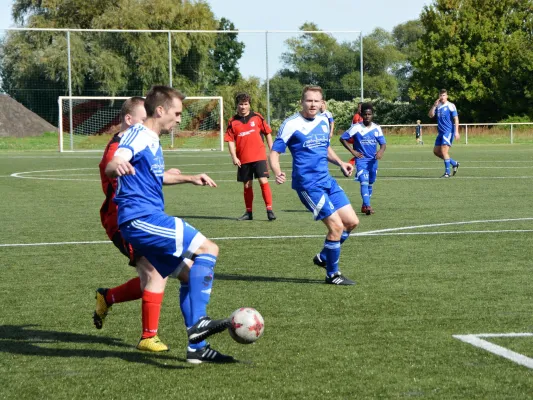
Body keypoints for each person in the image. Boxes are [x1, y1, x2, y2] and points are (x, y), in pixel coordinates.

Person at [105, 85, 235, 364]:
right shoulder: (138, 134)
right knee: (209, 249)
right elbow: (115, 161)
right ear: (160, 110)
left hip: (144, 219)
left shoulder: (152, 140)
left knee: (188, 275)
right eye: (176, 113)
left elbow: (153, 177)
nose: (179, 119)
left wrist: (189, 177)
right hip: (141, 219)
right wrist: (117, 164)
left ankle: (196, 348)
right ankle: (199, 322)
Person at [95, 97, 189, 354]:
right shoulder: (118, 147)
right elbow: (115, 171)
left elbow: (148, 177)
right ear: (129, 119)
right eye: (143, 116)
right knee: (154, 272)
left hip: (143, 217)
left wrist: (180, 177)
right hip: (122, 219)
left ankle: (108, 297)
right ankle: (148, 336)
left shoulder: (143, 140)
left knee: (157, 273)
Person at [269, 85, 359, 286]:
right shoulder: (291, 124)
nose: (313, 104)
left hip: (327, 180)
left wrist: (341, 163)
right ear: (302, 102)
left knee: (352, 222)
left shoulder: (324, 120)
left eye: (316, 101)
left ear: (322, 103)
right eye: (309, 100)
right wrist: (277, 172)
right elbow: (274, 153)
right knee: (336, 226)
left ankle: (324, 256)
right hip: (308, 185)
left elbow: (325, 147)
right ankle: (332, 274)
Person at [225, 93, 276, 221]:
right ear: (237, 105)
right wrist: (234, 157)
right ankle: (249, 213)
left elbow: (268, 133)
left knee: (263, 181)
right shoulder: (232, 121)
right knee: (247, 185)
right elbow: (230, 140)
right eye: (241, 104)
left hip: (259, 156)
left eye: (245, 104)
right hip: (243, 159)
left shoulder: (257, 117)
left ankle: (269, 210)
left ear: (249, 105)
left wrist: (272, 150)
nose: (243, 107)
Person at [340, 103, 387, 216]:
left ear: (372, 115)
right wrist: (353, 151)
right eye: (365, 114)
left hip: (373, 161)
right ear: (361, 115)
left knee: (370, 183)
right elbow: (342, 138)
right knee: (364, 182)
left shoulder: (377, 128)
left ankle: (364, 205)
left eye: (369, 114)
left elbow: (383, 144)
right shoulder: (356, 127)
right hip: (361, 160)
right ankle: (368, 205)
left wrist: (380, 152)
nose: (367, 116)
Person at [428, 89, 460, 178]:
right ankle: (454, 163)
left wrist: (456, 131)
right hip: (441, 132)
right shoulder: (438, 106)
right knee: (436, 152)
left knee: (444, 151)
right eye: (440, 95)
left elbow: (456, 119)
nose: (442, 97)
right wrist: (434, 106)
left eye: (443, 95)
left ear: (447, 96)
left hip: (448, 131)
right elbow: (430, 115)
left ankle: (447, 173)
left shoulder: (451, 106)